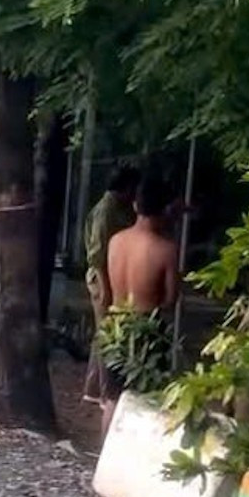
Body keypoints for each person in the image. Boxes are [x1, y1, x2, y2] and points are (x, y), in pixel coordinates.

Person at [99, 174, 179, 437]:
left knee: (112, 398)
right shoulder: (166, 249)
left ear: (135, 205)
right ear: (166, 209)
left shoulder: (116, 241)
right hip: (147, 327)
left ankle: (103, 457)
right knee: (147, 400)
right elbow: (170, 299)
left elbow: (107, 288)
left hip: (116, 324)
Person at [82, 163, 138, 402]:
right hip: (102, 276)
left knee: (103, 333)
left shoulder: (119, 208)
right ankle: (106, 392)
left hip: (111, 274)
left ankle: (93, 388)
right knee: (108, 335)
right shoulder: (107, 211)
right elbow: (97, 254)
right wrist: (105, 288)